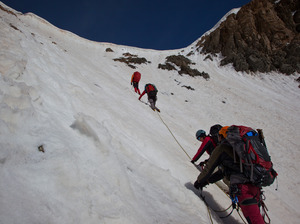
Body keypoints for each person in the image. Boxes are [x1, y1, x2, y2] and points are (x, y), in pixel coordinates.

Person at [193, 126, 265, 224]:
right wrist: (207, 181)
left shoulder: (222, 148)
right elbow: (224, 171)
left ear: (220, 136)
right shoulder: (238, 149)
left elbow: (210, 169)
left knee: (255, 220)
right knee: (257, 217)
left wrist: (199, 182)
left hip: (243, 189)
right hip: (255, 184)